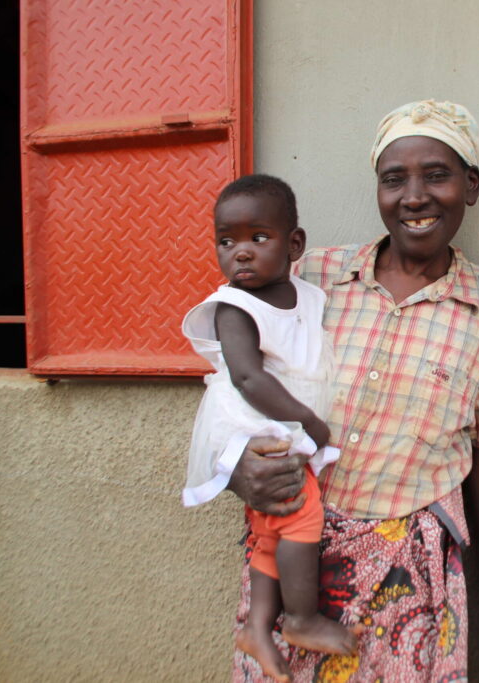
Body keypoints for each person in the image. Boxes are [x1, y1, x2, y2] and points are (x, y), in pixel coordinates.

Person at [228, 100, 479, 682]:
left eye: (436, 175)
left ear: (471, 186)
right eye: (394, 180)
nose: (413, 196)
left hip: (411, 578)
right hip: (293, 565)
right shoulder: (311, 277)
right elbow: (234, 387)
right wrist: (234, 467)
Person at [182, 174, 357, 682]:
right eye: (226, 240)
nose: (240, 252)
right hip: (258, 422)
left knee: (267, 532)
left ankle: (257, 627)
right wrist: (309, 423)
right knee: (300, 515)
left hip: (282, 417)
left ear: (294, 243)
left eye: (259, 238)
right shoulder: (234, 308)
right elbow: (247, 376)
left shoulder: (305, 294)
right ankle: (299, 618)